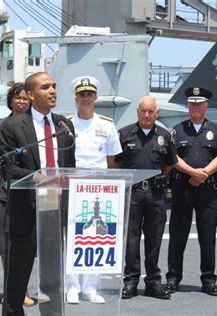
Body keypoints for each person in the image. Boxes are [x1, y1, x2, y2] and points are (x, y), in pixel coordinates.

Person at [0, 72, 75, 315]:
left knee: (53, 272)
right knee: (19, 272)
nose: (52, 91)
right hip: (26, 208)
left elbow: (68, 166)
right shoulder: (11, 125)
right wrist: (36, 177)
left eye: (54, 86)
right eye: (45, 87)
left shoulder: (64, 124)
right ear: (30, 95)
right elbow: (6, 167)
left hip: (56, 208)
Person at [165, 87, 217, 296]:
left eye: (199, 103)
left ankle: (208, 279)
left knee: (207, 236)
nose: (196, 107)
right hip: (182, 188)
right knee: (177, 235)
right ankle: (173, 278)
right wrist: (193, 172)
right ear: (188, 106)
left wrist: (204, 174)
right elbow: (174, 158)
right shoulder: (177, 130)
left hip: (208, 190)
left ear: (206, 106)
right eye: (192, 103)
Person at [65, 76, 122, 304]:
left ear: (96, 98)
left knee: (97, 237)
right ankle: (71, 286)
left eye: (89, 94)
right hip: (73, 188)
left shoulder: (107, 125)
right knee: (73, 237)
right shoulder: (66, 124)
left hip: (99, 190)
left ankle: (90, 287)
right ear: (76, 98)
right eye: (81, 95)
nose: (85, 98)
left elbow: (112, 161)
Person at [116, 96, 177, 300]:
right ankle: (131, 281)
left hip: (156, 194)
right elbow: (116, 163)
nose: (147, 115)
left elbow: (169, 164)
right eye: (143, 111)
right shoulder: (124, 134)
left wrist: (156, 178)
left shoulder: (165, 136)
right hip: (132, 193)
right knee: (131, 239)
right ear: (138, 112)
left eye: (151, 111)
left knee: (154, 239)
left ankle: (153, 282)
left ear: (157, 113)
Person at [0, 82, 34, 307]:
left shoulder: (36, 126)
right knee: (8, 245)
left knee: (28, 245)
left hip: (32, 193)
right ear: (11, 101)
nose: (21, 101)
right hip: (7, 192)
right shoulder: (2, 125)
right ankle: (11, 290)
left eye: (25, 98)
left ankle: (23, 288)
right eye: (17, 98)